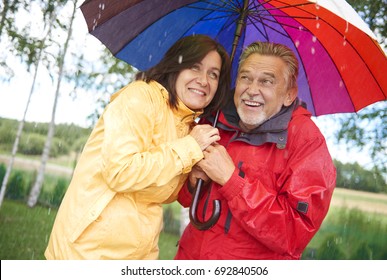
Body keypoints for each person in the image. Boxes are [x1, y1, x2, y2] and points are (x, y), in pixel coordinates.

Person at [44, 34, 231, 260]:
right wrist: (190, 147)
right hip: (89, 251)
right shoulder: (140, 97)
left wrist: (191, 179)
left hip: (137, 253)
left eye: (213, 74)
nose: (204, 80)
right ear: (176, 67)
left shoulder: (186, 124)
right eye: (195, 67)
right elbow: (120, 172)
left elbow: (160, 190)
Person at [175, 41, 336, 260]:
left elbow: (293, 234)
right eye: (245, 78)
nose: (251, 90)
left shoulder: (307, 141)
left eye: (266, 81)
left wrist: (232, 181)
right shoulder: (212, 120)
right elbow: (183, 198)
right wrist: (193, 182)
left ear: (289, 94)